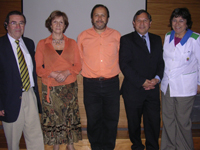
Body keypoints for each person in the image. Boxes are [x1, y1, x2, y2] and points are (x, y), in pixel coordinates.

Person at [35, 10, 82, 150]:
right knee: (55, 119)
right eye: (55, 21)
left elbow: (78, 65)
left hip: (69, 86)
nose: (58, 24)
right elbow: (38, 69)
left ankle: (70, 144)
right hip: (51, 87)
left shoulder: (72, 43)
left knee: (69, 117)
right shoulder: (42, 44)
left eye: (61, 22)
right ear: (50, 24)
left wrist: (67, 72)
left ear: (65, 25)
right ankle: (56, 145)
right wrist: (54, 74)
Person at [77, 4, 121, 150]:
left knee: (111, 119)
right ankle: (95, 147)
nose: (99, 18)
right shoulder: (83, 36)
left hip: (111, 84)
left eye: (103, 15)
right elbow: (79, 59)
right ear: (91, 18)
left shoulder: (116, 36)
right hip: (91, 85)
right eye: (96, 15)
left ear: (107, 18)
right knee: (93, 119)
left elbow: (122, 58)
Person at [119, 9, 164, 150]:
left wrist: (156, 79)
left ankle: (152, 147)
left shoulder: (157, 39)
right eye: (139, 20)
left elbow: (161, 63)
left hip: (152, 90)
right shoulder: (126, 39)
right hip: (133, 90)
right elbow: (124, 65)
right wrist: (142, 81)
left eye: (145, 20)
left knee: (153, 122)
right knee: (134, 124)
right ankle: (137, 147)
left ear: (150, 23)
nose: (142, 23)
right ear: (133, 23)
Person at [0, 11, 44, 150]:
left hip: (30, 94)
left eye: (21, 23)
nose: (18, 26)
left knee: (35, 136)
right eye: (14, 22)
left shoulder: (29, 43)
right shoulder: (0, 45)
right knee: (13, 141)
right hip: (9, 99)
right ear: (7, 25)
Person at [160, 8, 200, 150]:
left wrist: (199, 83)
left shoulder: (195, 39)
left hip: (185, 87)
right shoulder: (168, 36)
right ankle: (169, 147)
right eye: (174, 20)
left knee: (183, 121)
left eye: (181, 20)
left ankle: (184, 148)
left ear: (187, 23)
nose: (177, 23)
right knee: (168, 119)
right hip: (167, 86)